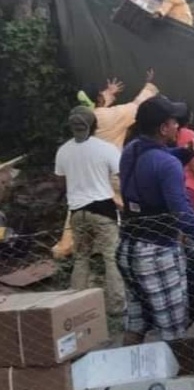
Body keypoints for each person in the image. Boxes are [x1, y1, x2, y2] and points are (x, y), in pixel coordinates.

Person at [117, 96, 194, 344]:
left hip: (128, 247)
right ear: (164, 128)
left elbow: (155, 162)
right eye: (175, 122)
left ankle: (127, 373)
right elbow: (182, 213)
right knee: (173, 328)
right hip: (156, 251)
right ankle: (179, 380)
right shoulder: (166, 164)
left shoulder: (131, 150)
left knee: (136, 322)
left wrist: (185, 153)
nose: (179, 126)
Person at [54, 106, 124, 316]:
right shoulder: (106, 148)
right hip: (103, 209)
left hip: (76, 212)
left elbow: (60, 182)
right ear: (94, 125)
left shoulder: (63, 150)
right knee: (111, 257)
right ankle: (117, 306)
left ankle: (76, 306)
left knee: (81, 258)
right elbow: (120, 175)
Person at [93, 71, 160, 150]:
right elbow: (137, 106)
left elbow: (94, 106)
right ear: (99, 99)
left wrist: (108, 93)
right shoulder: (112, 115)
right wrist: (149, 86)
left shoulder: (80, 115)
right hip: (111, 160)